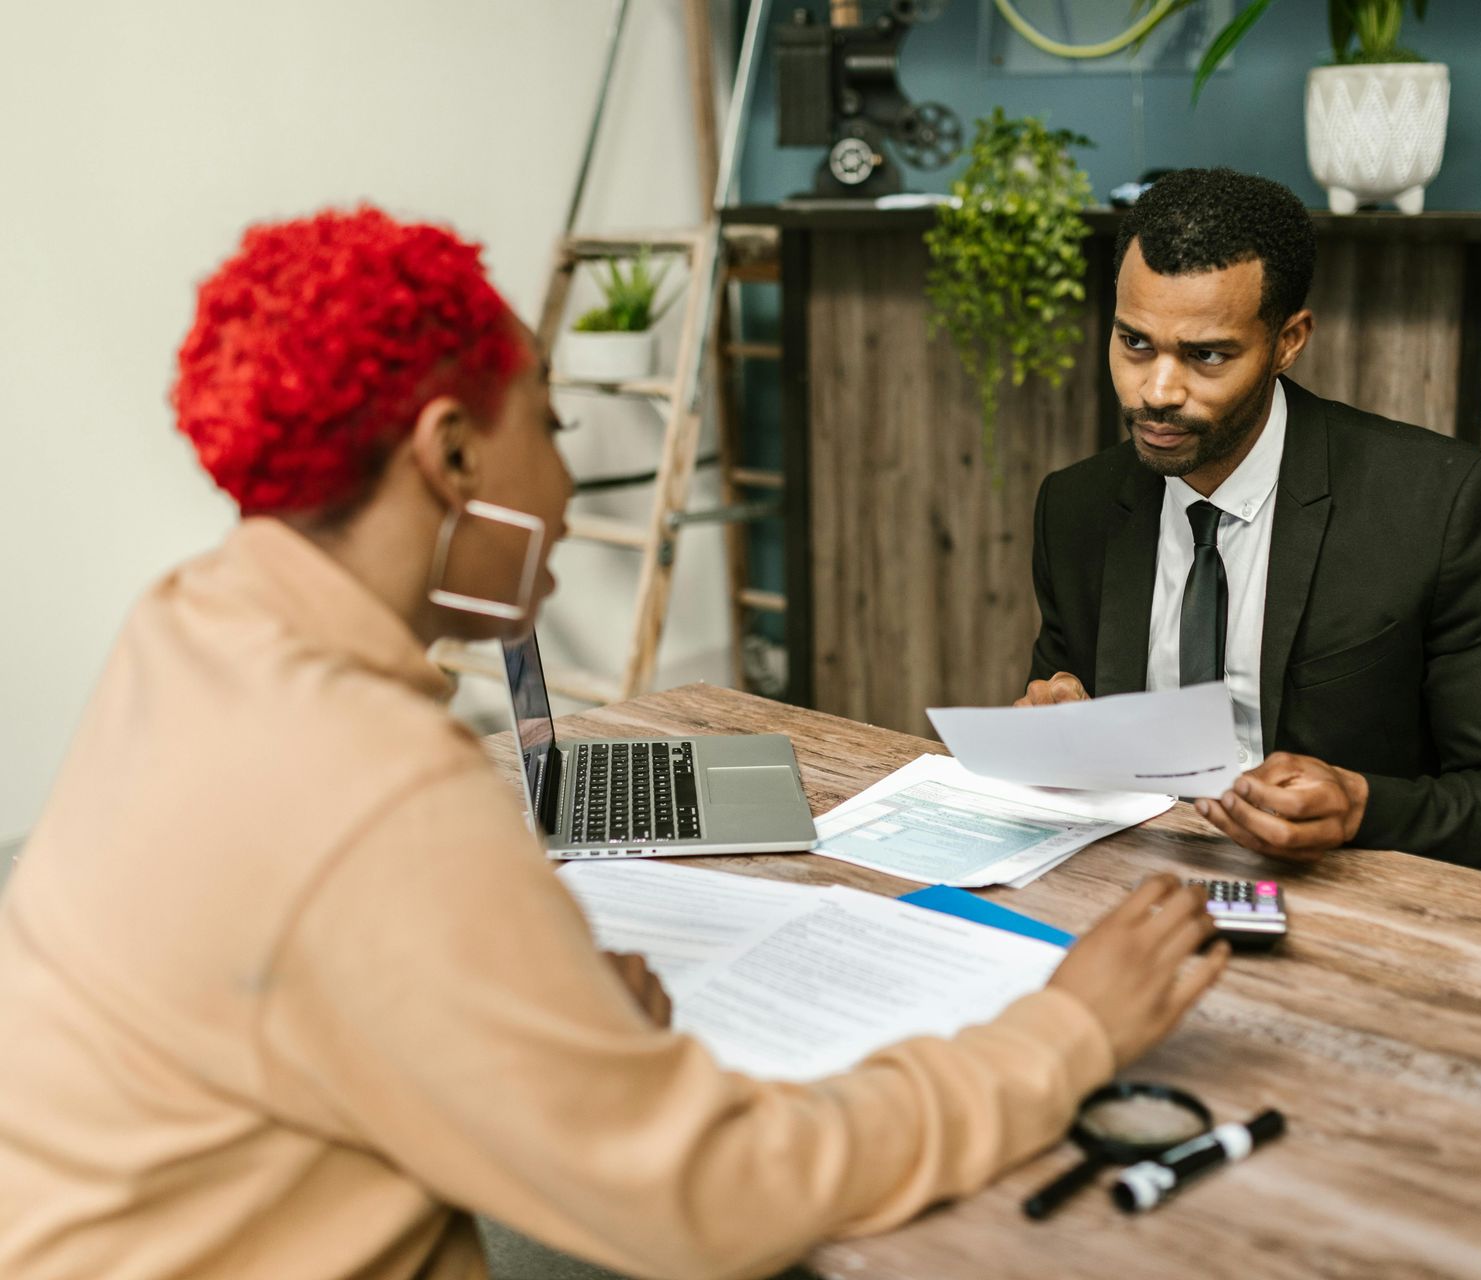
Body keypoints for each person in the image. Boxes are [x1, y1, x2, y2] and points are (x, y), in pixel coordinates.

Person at [0, 207, 1227, 1280]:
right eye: (553, 420)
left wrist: (532, 1005)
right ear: (454, 455)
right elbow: (716, 1199)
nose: (571, 485)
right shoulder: (382, 788)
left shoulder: (189, 624)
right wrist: (1066, 1032)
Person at [1019, 169, 1481, 880]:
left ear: (1288, 340)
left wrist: (1362, 808)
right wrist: (1052, 733)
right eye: (1136, 343)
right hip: (1141, 888)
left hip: (1363, 901)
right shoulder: (1078, 509)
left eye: (1206, 355)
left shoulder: (1443, 508)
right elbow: (1069, 731)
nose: (1157, 392)